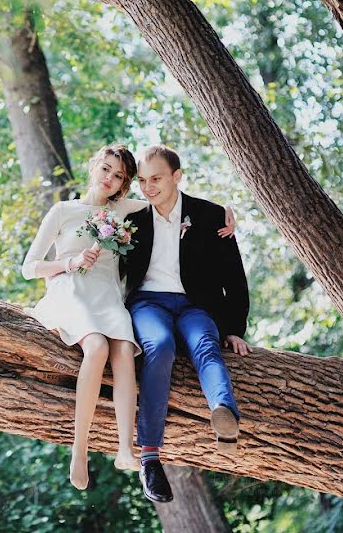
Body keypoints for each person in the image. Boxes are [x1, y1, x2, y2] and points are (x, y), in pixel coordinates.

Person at [20, 144, 236, 490]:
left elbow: (173, 201)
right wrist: (69, 263)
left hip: (108, 295)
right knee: (97, 348)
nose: (109, 178)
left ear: (124, 182)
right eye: (105, 169)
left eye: (118, 175)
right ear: (95, 166)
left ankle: (125, 448)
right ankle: (79, 448)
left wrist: (222, 210)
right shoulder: (63, 211)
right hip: (71, 289)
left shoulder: (128, 211)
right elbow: (29, 267)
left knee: (124, 350)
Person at [122, 144, 251, 504]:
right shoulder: (132, 218)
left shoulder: (210, 216)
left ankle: (224, 417)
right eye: (143, 181)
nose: (148, 188)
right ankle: (149, 455)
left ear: (177, 177)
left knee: (205, 344)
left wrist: (235, 327)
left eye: (157, 179)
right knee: (159, 346)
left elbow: (234, 274)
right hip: (149, 304)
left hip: (195, 305)